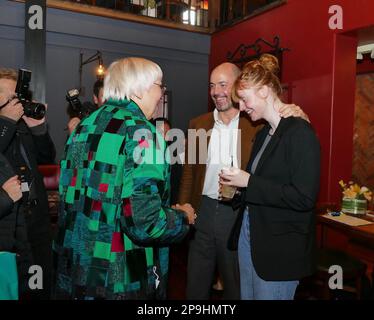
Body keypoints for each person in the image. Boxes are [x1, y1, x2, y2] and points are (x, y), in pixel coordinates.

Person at [54, 57, 195, 300]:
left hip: (76, 264)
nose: (162, 93)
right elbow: (144, 223)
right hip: (121, 273)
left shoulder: (83, 126)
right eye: (159, 85)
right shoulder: (141, 133)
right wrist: (183, 217)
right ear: (139, 89)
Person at [178, 62, 309, 300]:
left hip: (238, 212)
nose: (216, 91)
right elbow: (189, 172)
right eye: (211, 85)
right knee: (196, 282)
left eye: (223, 84)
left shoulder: (255, 123)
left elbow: (288, 130)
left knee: (236, 283)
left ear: (238, 87)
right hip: (202, 211)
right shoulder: (199, 124)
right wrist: (183, 207)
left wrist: (298, 112)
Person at [220, 54, 320, 300]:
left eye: (243, 99)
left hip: (278, 250)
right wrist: (238, 187)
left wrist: (248, 182)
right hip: (250, 237)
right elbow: (263, 185)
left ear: (264, 91)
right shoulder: (264, 133)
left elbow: (304, 197)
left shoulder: (300, 133)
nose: (241, 108)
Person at [0, 68, 56, 299]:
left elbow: (47, 158)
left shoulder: (20, 125)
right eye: (5, 95)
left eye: (15, 96)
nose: (12, 101)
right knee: (13, 289)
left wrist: (38, 128)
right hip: (8, 225)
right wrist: (6, 123)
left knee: (40, 284)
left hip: (37, 220)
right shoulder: (7, 126)